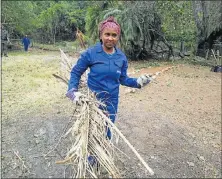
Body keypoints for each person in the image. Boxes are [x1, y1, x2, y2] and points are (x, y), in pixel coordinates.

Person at [66, 16, 152, 140]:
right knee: (92, 130)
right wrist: (72, 91)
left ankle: (104, 153)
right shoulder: (90, 54)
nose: (110, 38)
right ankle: (91, 158)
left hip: (111, 102)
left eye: (114, 35)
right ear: (101, 35)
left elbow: (123, 79)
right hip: (93, 101)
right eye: (107, 34)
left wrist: (138, 82)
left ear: (118, 37)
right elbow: (75, 72)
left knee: (107, 130)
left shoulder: (121, 58)